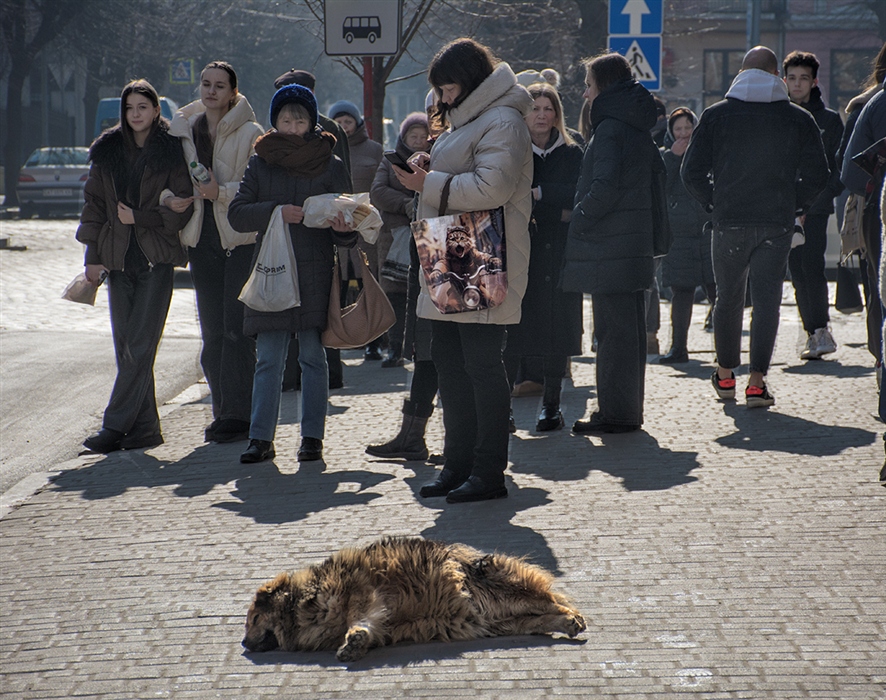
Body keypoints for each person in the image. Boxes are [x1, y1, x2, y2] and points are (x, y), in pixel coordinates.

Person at [393, 38, 532, 503]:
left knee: (481, 366)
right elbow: (465, 168)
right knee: (450, 364)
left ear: (471, 82)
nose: (443, 98)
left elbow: (493, 187)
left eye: (449, 88)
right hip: (453, 251)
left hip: (484, 257)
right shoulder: (469, 117)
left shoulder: (503, 119)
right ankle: (456, 465)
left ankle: (488, 471)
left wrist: (428, 182)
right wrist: (429, 164)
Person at [682, 46, 829, 408]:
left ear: (741, 74)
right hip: (776, 223)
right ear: (777, 76)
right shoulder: (798, 118)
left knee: (728, 300)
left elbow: (691, 172)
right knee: (767, 303)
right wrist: (795, 204)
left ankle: (725, 375)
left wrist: (713, 202)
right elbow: (819, 174)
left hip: (728, 221)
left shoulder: (716, 115)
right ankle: (757, 383)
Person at [227, 84, 356, 464]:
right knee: (268, 359)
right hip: (272, 270)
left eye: (300, 121)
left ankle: (312, 438)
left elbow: (349, 219)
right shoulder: (261, 162)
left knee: (313, 358)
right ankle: (260, 438)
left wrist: (344, 226)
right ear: (275, 122)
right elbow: (237, 214)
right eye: (286, 120)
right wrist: (275, 212)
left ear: (312, 122)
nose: (293, 127)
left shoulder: (331, 163)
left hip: (316, 270)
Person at [76, 79, 193, 453]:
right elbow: (94, 206)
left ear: (156, 110)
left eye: (143, 107)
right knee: (126, 348)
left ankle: (113, 426)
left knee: (140, 347)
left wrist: (139, 217)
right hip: (117, 261)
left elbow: (181, 207)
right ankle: (146, 430)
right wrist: (92, 258)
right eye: (130, 108)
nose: (136, 114)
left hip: (156, 260)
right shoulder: (107, 150)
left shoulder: (171, 151)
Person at [165, 61, 264, 444]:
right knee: (212, 332)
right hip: (201, 238)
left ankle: (239, 415)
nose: (210, 91)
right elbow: (168, 180)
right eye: (206, 84)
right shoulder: (183, 131)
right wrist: (170, 198)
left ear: (233, 92)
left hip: (239, 239)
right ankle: (222, 410)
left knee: (236, 329)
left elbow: (257, 187)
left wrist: (219, 192)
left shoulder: (251, 132)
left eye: (219, 85)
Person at [561, 52, 660, 434]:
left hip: (611, 247)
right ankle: (627, 411)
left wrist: (580, 218)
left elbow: (604, 186)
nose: (586, 94)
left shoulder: (610, 129)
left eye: (589, 85)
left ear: (603, 86)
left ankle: (615, 414)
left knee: (613, 334)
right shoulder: (633, 123)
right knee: (629, 335)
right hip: (633, 244)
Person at [365, 97, 442, 463]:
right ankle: (412, 436)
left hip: (450, 252)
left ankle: (464, 443)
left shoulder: (463, 139)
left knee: (455, 355)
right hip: (421, 250)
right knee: (425, 350)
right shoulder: (421, 150)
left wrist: (427, 184)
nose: (434, 117)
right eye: (431, 110)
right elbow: (378, 191)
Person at [504, 82, 583, 431]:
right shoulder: (513, 151)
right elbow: (510, 199)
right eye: (534, 108)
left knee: (557, 331)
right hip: (520, 251)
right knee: (512, 330)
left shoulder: (573, 152)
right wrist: (556, 208)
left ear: (557, 115)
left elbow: (578, 196)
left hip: (560, 253)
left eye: (548, 108)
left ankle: (551, 406)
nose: (541, 115)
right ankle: (502, 407)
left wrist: (540, 194)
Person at [274, 69, 352, 390]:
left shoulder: (327, 130)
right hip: (298, 232)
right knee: (314, 311)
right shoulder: (274, 139)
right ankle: (324, 375)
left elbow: (342, 182)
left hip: (319, 230)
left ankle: (308, 376)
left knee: (319, 310)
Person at [782, 50, 845, 361]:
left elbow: (839, 168)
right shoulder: (779, 116)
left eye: (803, 78)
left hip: (817, 208)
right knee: (796, 272)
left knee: (813, 268)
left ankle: (821, 329)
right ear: (784, 80)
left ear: (814, 81)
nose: (797, 84)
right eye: (792, 78)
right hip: (784, 208)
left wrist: (813, 202)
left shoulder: (829, 121)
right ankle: (811, 331)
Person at [370, 112, 431, 368]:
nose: (417, 141)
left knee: (422, 294)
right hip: (393, 236)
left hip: (426, 234)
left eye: (422, 136)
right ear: (403, 137)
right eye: (412, 136)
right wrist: (406, 204)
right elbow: (377, 192)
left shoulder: (434, 159)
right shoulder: (389, 161)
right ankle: (394, 347)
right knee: (394, 294)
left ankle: (420, 348)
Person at [328, 99, 385, 361]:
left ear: (358, 122)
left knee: (369, 281)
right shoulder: (326, 149)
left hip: (366, 227)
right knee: (340, 282)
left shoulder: (374, 150)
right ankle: (343, 335)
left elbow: (381, 184)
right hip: (337, 225)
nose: (344, 127)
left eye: (348, 121)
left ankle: (375, 340)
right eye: (339, 122)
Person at [658, 107, 715, 364]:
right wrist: (673, 158)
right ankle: (678, 348)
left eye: (687, 128)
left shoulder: (707, 152)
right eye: (678, 129)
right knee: (681, 293)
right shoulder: (665, 157)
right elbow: (661, 188)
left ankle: (726, 349)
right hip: (679, 236)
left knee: (717, 291)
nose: (683, 133)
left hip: (707, 231)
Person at [842, 72, 886, 379]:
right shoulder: (878, 104)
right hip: (879, 207)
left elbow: (849, 172)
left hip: (876, 208)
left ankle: (880, 360)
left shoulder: (875, 103)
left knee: (878, 287)